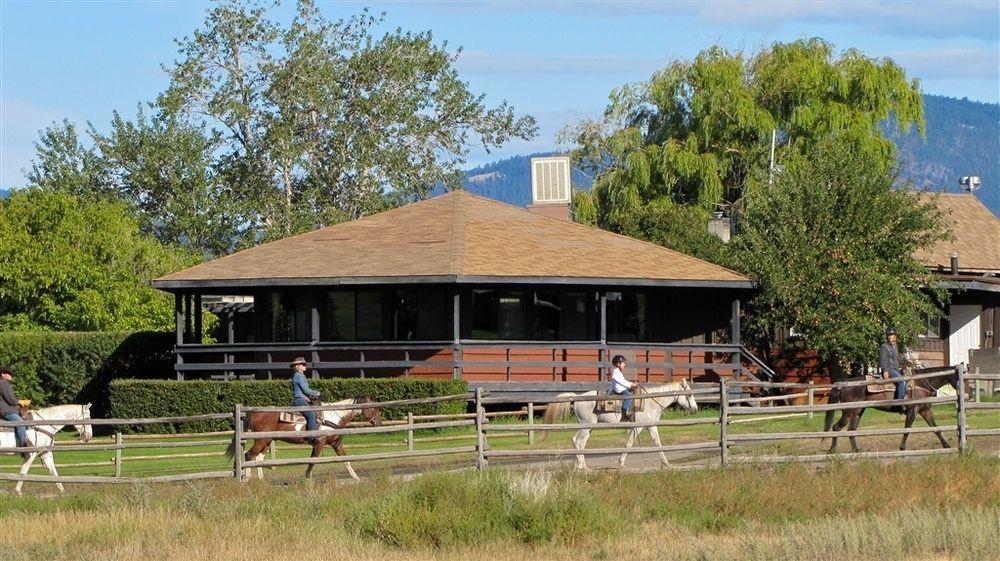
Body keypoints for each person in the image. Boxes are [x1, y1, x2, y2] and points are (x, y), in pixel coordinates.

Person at [0, 365, 31, 459]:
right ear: (2, 374)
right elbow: (11, 400)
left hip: (7, 409)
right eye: (8, 373)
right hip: (6, 411)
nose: (11, 375)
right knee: (20, 423)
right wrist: (21, 402)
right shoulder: (3, 383)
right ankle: (23, 448)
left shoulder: (4, 383)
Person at [290, 357, 321, 437]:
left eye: (305, 364)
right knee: (311, 414)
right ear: (298, 366)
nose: (305, 366)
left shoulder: (300, 375)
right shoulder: (299, 376)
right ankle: (312, 437)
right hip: (299, 399)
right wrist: (317, 393)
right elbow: (306, 390)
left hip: (302, 399)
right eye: (303, 364)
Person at [879, 327, 906, 401]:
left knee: (908, 378)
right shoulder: (884, 346)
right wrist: (885, 370)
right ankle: (899, 402)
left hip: (896, 368)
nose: (890, 337)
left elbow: (897, 358)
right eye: (888, 335)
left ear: (895, 336)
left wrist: (906, 361)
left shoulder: (895, 346)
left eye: (891, 335)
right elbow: (883, 359)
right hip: (889, 368)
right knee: (901, 381)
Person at [610, 355, 638, 421]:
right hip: (619, 390)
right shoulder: (615, 372)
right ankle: (624, 413)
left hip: (621, 388)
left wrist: (632, 383)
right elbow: (622, 382)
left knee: (632, 391)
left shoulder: (618, 372)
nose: (624, 364)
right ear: (618, 364)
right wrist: (631, 385)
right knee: (629, 397)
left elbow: (624, 381)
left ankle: (630, 409)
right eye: (623, 363)